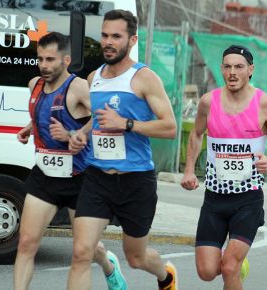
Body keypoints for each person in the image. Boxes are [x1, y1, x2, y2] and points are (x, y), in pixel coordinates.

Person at [66, 10, 178, 290]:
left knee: (136, 257)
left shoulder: (144, 78)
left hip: (135, 180)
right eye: (105, 35)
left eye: (116, 36)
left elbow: (169, 127)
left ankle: (166, 275)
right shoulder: (94, 78)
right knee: (81, 252)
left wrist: (126, 124)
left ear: (132, 40)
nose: (108, 42)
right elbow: (99, 117)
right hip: (97, 177)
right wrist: (82, 133)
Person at [14, 32, 126, 290]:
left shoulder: (78, 87)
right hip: (45, 175)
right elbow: (47, 111)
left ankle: (109, 266)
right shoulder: (35, 85)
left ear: (66, 60)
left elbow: (105, 116)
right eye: (40, 58)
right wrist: (30, 127)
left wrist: (76, 134)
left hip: (81, 179)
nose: (44, 65)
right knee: (26, 243)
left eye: (50, 59)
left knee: (87, 249)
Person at [180, 44, 267, 290]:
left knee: (228, 267)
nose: (232, 72)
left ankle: (235, 264)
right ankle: (239, 265)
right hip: (214, 199)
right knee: (208, 272)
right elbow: (196, 134)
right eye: (228, 67)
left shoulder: (265, 103)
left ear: (250, 70)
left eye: (239, 67)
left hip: (248, 199)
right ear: (221, 69)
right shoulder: (209, 102)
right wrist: (189, 170)